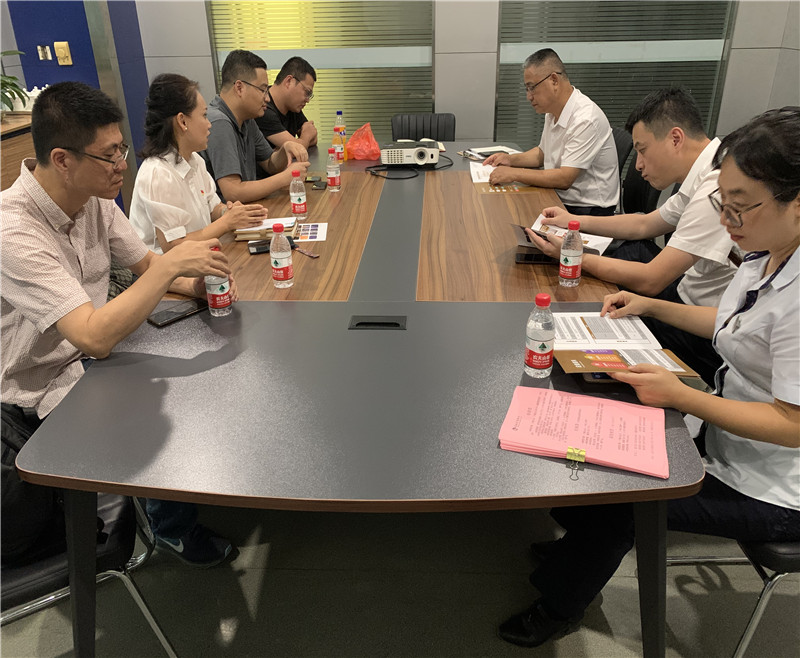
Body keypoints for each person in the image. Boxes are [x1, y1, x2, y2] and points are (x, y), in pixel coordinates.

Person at [498, 106, 800, 649]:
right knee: (602, 423)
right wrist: (653, 307)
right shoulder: (767, 254)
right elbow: (734, 323)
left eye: (740, 206)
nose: (727, 220)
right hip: (730, 434)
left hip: (774, 488)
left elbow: (792, 424)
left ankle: (559, 605)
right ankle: (577, 544)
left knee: (622, 494)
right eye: (722, 203)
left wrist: (682, 396)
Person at [1, 81, 235, 568]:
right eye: (109, 156)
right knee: (164, 410)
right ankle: (171, 528)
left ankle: (190, 490)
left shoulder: (95, 201)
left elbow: (146, 263)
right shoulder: (14, 231)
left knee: (206, 369)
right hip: (39, 392)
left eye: (121, 150)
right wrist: (174, 267)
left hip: (90, 357)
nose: (121, 165)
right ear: (62, 160)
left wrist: (196, 284)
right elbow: (93, 336)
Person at [528, 88, 738, 385]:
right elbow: (645, 225)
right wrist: (574, 222)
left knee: (584, 328)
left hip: (701, 330)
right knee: (619, 262)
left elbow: (652, 280)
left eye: (643, 150)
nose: (638, 165)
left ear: (675, 139)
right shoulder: (705, 170)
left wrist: (572, 256)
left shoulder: (716, 190)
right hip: (690, 296)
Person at [130, 73, 268, 253]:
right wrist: (227, 222)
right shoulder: (158, 173)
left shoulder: (195, 160)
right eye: (204, 115)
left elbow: (212, 207)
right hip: (173, 268)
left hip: (201, 258)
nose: (209, 124)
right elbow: (174, 245)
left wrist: (228, 211)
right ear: (182, 121)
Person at [483, 48, 619, 216]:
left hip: (587, 210)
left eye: (532, 87)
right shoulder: (553, 112)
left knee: (509, 217)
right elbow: (542, 153)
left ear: (554, 80)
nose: (529, 97)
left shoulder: (585, 119)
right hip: (558, 197)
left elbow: (564, 178)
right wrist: (510, 159)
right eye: (527, 89)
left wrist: (514, 173)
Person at [200, 49, 310, 203]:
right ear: (239, 88)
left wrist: (285, 149)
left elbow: (270, 163)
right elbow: (233, 192)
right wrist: (286, 177)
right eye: (263, 90)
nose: (267, 98)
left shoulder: (247, 119)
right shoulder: (219, 122)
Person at [255, 56, 318, 149]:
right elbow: (297, 147)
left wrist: (304, 138)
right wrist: (306, 136)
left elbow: (313, 138)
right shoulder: (263, 109)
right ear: (289, 81)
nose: (307, 100)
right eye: (307, 92)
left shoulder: (292, 106)